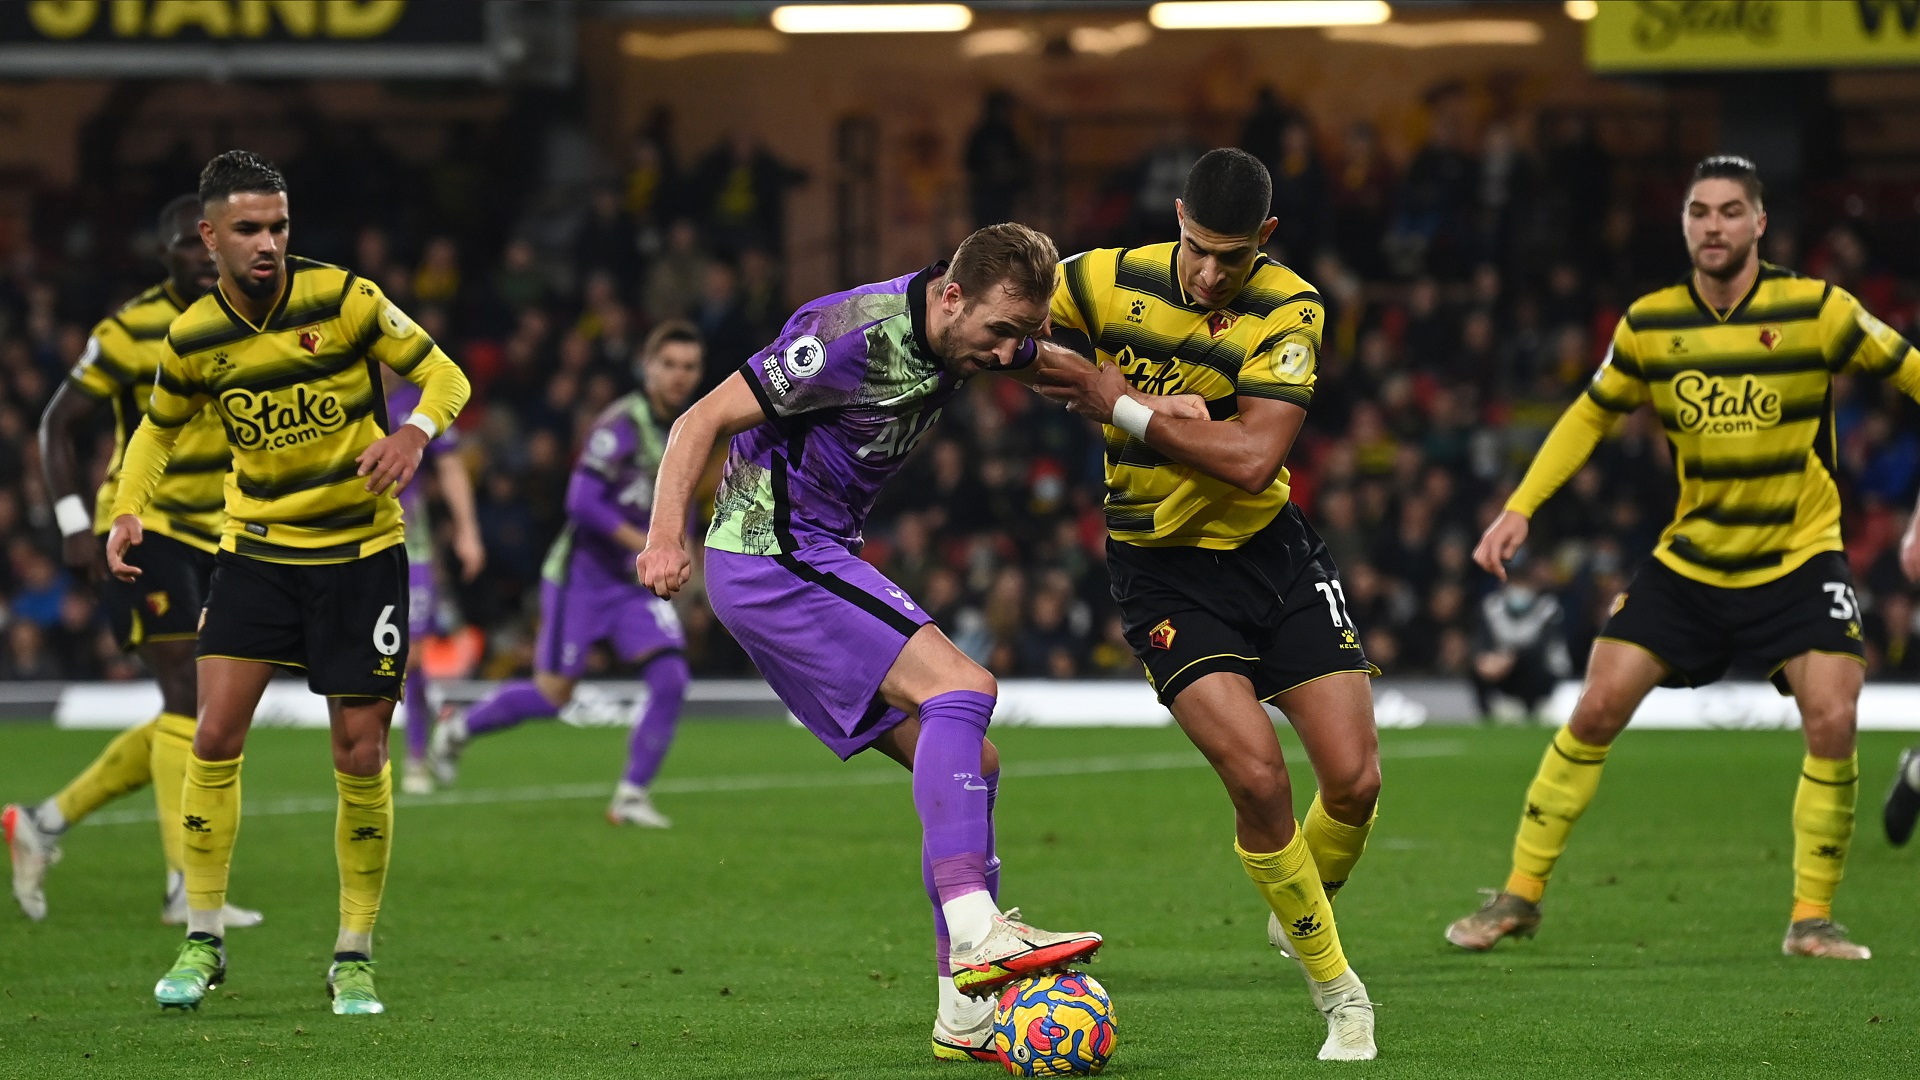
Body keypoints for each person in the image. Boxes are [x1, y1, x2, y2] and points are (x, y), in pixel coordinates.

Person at [637, 224, 1192, 1063]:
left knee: (976, 759)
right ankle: (977, 929)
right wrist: (663, 538)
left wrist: (1150, 415)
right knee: (962, 686)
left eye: (1023, 334)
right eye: (1000, 332)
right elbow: (697, 419)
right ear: (951, 295)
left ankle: (962, 1018)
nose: (1009, 353)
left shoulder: (984, 337)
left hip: (810, 557)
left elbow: (1063, 371)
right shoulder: (847, 336)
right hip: (770, 553)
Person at [1445, 156, 1920, 962]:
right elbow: (1588, 418)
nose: (1714, 226)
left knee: (1835, 716)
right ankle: (1519, 897)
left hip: (1798, 558)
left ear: (1760, 224)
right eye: (1700, 211)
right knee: (1595, 708)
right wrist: (1521, 505)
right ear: (1685, 224)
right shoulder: (1651, 323)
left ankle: (1811, 918)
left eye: (1732, 212)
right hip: (1691, 563)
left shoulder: (1817, 310)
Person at [104, 151, 470, 1014]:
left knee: (361, 752)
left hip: (360, 557)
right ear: (209, 237)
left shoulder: (344, 299)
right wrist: (128, 509)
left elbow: (445, 375)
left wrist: (414, 434)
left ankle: (353, 952)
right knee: (214, 735)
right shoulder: (193, 335)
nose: (268, 243)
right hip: (258, 553)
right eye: (249, 229)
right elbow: (155, 433)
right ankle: (202, 938)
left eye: (278, 227)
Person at [1037, 147, 1380, 1062]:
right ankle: (1338, 990)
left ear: (1264, 241)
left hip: (1270, 553)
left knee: (1354, 780)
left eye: (1230, 255)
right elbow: (1007, 314)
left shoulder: (1292, 307)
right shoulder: (1107, 280)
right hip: (1161, 571)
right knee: (1261, 780)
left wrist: (1125, 405)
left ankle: (1296, 902)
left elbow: (1253, 459)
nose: (1208, 270)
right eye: (1196, 246)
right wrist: (1054, 365)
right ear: (1177, 216)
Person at [6, 195, 261, 929]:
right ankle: (185, 886)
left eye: (207, 242)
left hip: (227, 533)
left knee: (201, 708)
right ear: (165, 253)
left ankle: (45, 823)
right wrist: (70, 524)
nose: (199, 255)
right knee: (187, 690)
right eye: (186, 243)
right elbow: (57, 423)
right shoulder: (128, 330)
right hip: (142, 526)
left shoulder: (254, 318)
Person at [428, 321, 703, 825]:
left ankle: (631, 795)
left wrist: (680, 548)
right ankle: (459, 727)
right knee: (554, 694)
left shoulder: (690, 430)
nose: (679, 376)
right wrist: (648, 543)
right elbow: (581, 502)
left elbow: (680, 504)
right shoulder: (620, 424)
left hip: (632, 585)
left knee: (671, 674)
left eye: (689, 366)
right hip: (581, 578)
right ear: (647, 367)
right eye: (669, 364)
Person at [384, 365, 484, 795]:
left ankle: (416, 755)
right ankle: (368, 753)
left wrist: (467, 530)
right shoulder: (340, 390)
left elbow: (451, 465)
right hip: (351, 540)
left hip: (412, 543)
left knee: (413, 654)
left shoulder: (418, 400)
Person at [1469, 556, 1573, 720]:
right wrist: (1483, 658)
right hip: (1502, 669)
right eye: (1514, 582)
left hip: (1542, 674)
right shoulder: (1492, 606)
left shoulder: (1548, 608)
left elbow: (1542, 648)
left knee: (1532, 664)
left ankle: (1534, 709)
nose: (1518, 589)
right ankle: (1491, 714)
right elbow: (1481, 638)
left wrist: (1512, 657)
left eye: (1523, 582)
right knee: (1479, 666)